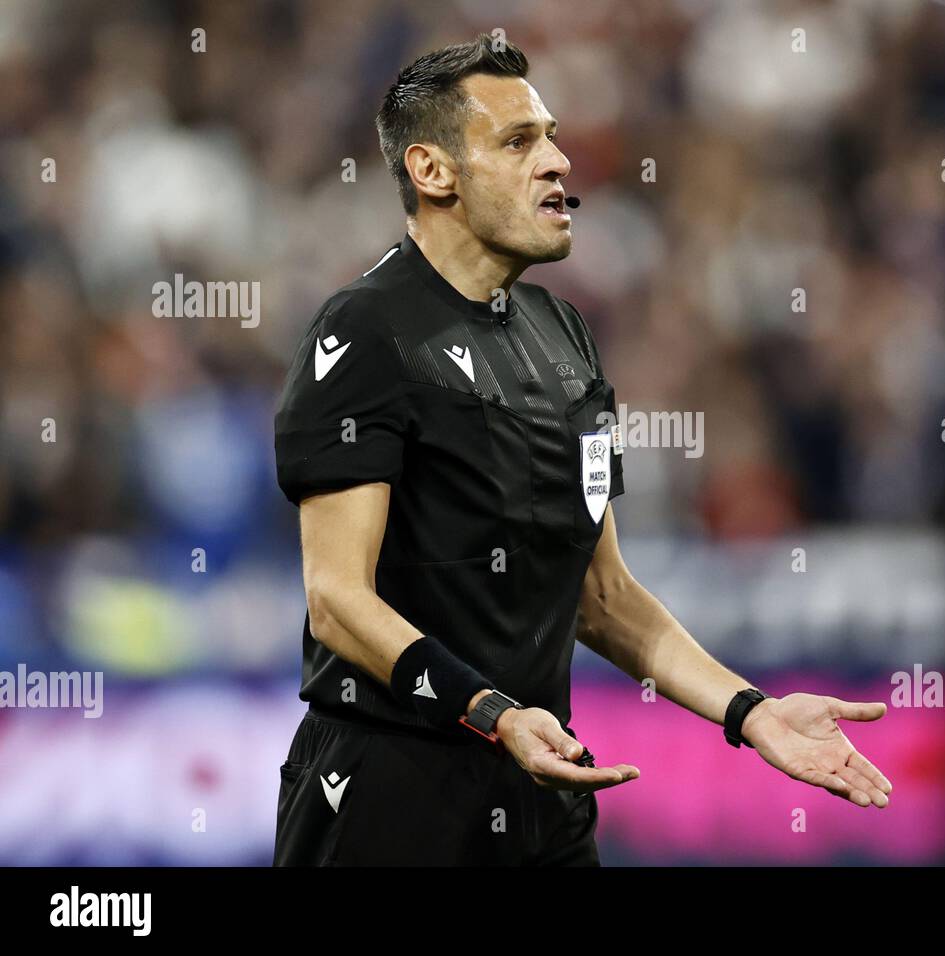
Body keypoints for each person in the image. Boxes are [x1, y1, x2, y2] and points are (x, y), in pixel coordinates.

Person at [271, 34, 892, 866]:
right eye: (520, 141)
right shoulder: (365, 332)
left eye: (552, 136)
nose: (560, 161)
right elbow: (335, 599)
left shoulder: (565, 339)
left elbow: (602, 594)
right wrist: (489, 710)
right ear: (432, 172)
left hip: (544, 782)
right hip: (388, 793)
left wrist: (750, 712)